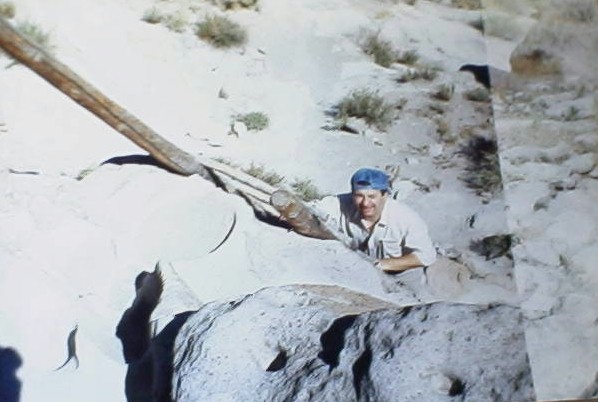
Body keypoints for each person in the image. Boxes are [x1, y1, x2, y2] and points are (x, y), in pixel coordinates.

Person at [313, 167, 436, 274]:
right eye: (359, 196)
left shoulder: (406, 218)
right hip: (360, 272)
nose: (365, 203)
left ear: (385, 195)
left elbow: (427, 256)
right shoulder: (341, 203)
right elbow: (313, 208)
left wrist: (383, 264)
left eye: (372, 196)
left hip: (401, 277)